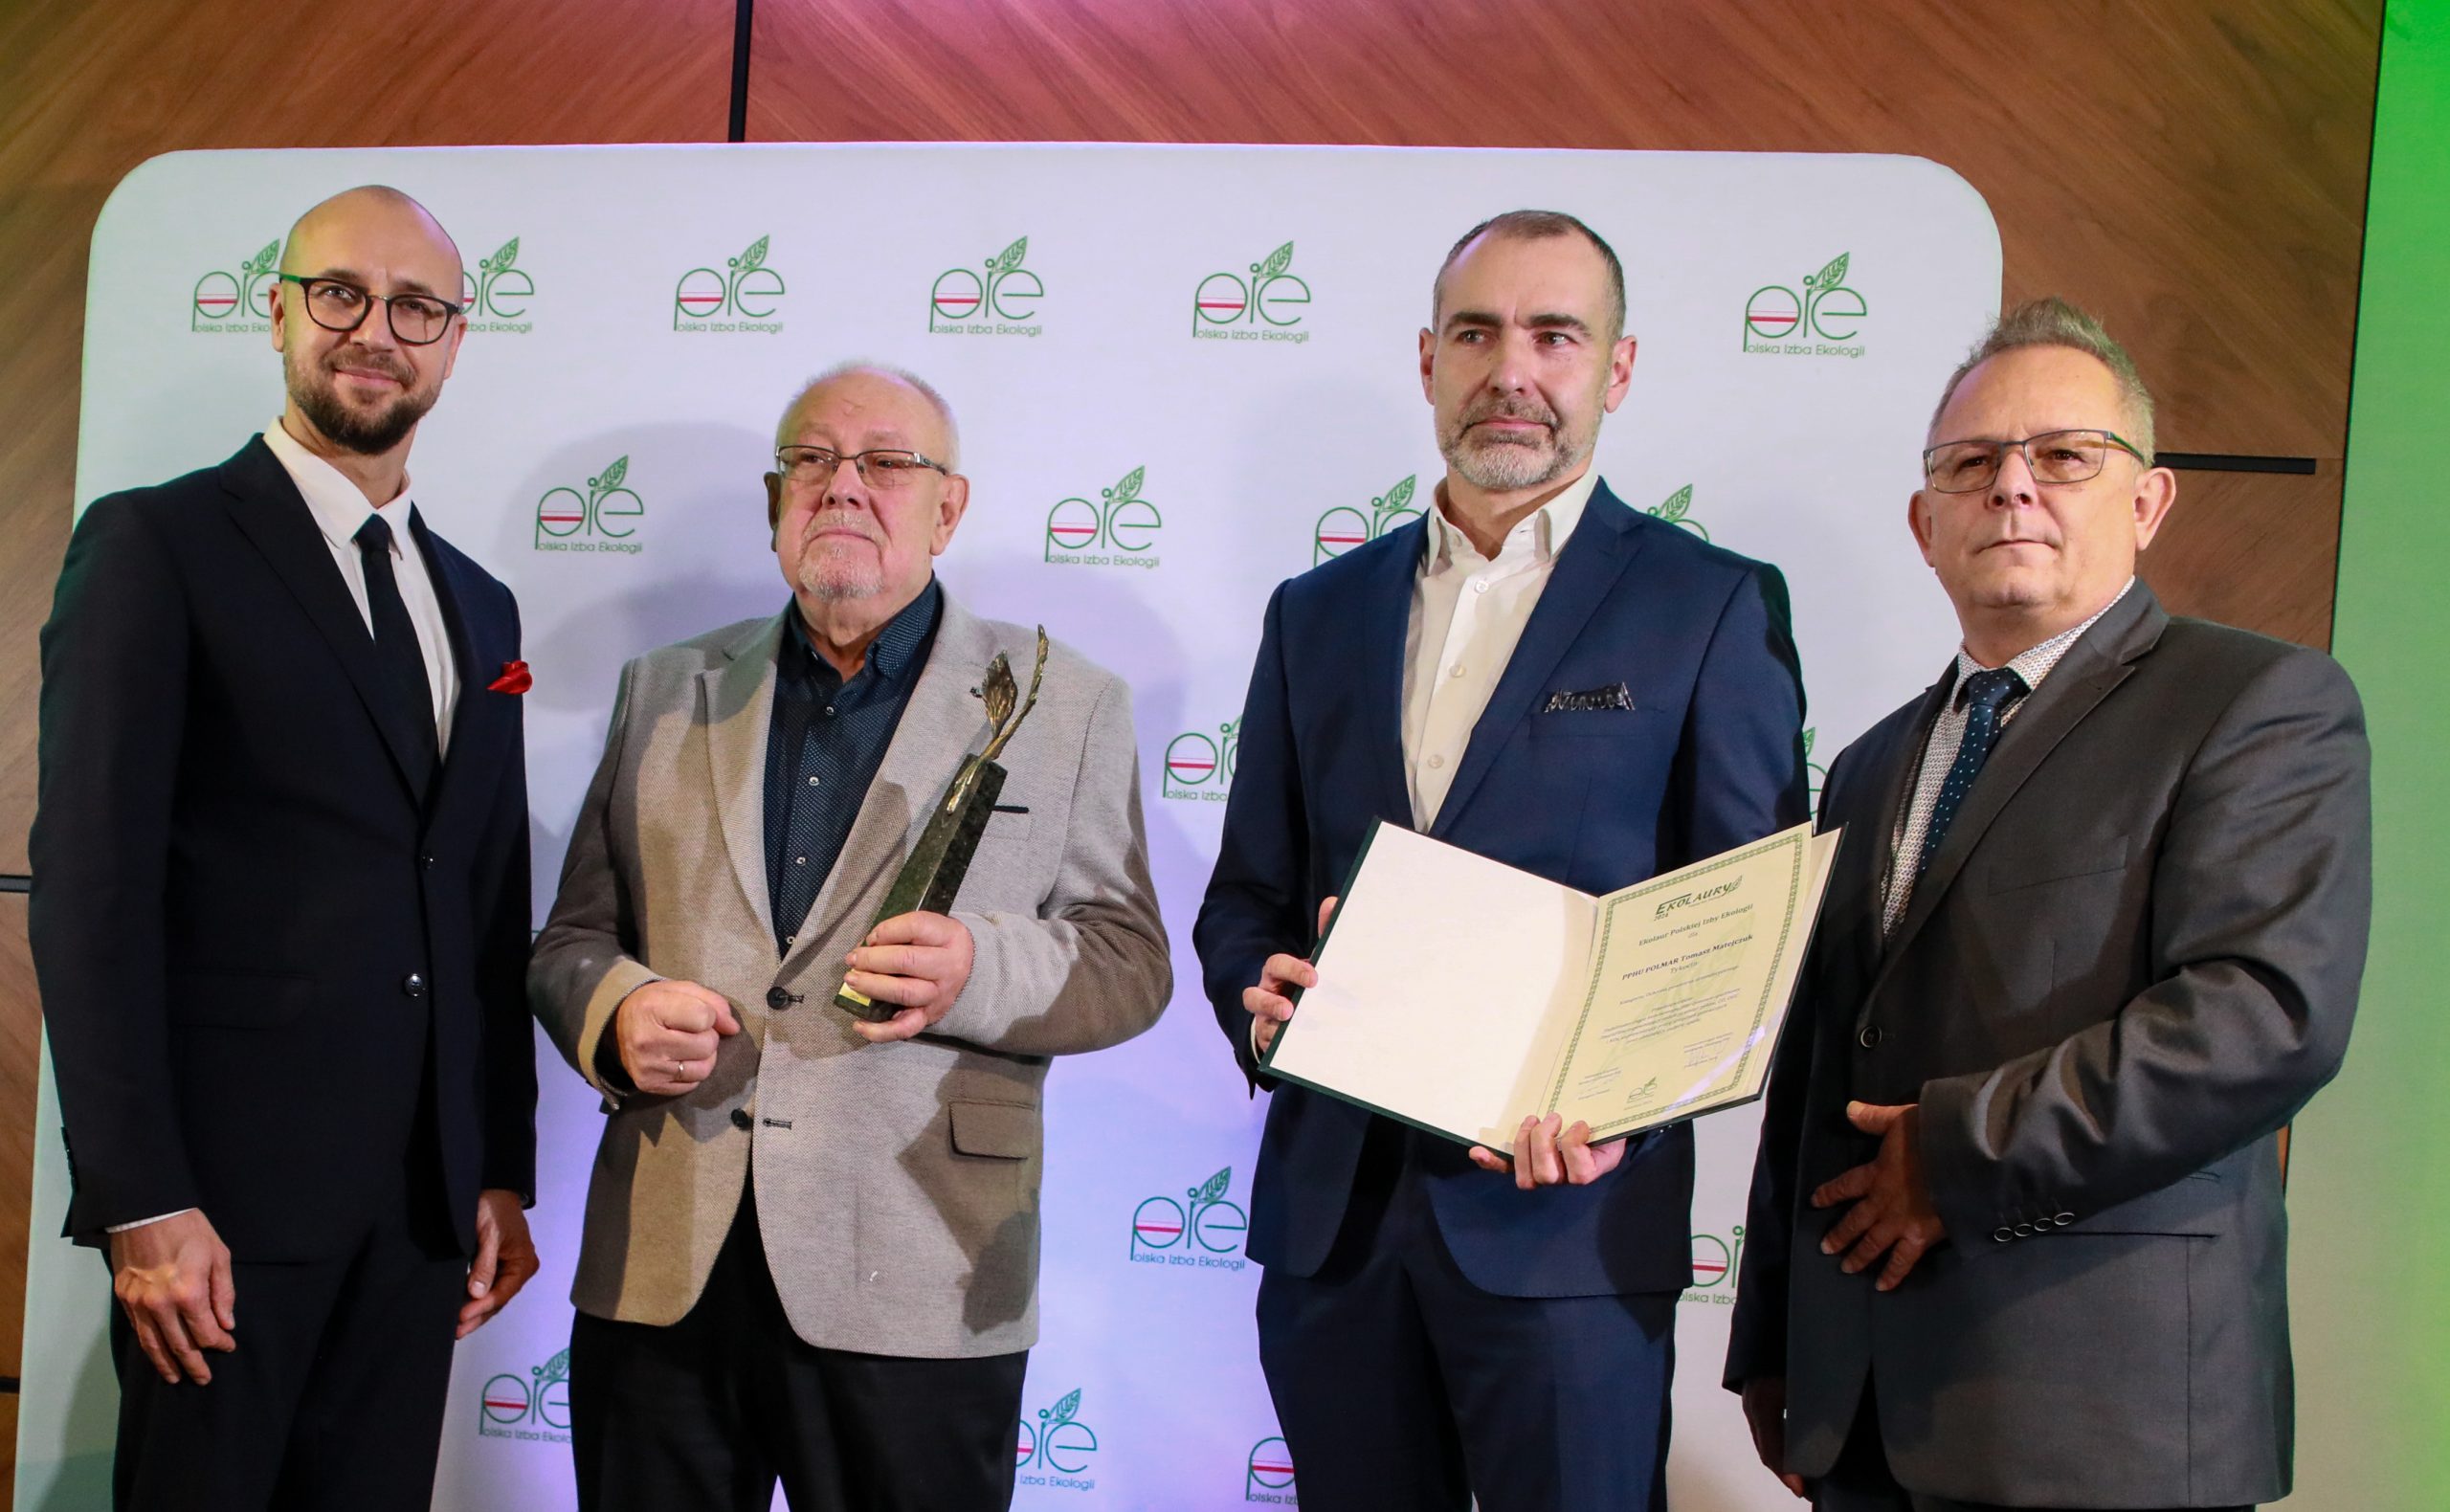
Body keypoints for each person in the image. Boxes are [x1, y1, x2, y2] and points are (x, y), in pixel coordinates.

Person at [1194, 210, 1809, 1511]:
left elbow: (1745, 924)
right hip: (1333, 1231)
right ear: (1429, 360)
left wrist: (1623, 1113)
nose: (1510, 370)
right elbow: (1246, 895)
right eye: (1476, 334)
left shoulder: (1708, 604)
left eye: (1554, 335)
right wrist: (1259, 999)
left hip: (1567, 1232)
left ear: (1616, 370)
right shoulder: (1316, 612)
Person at [1725, 297, 2371, 1511]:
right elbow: (1818, 1066)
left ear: (2148, 500)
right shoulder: (1865, 764)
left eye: (2064, 455)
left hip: (2102, 1415)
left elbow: (2260, 1015)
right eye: (1971, 463)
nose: (2011, 487)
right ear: (1924, 523)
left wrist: (1958, 1151)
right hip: (1861, 1414)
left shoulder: (2258, 703)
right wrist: (1772, 1336)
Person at [529, 362, 1171, 1512]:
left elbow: (1128, 960)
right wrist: (614, 1011)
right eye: (812, 461)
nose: (843, 486)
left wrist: (978, 967)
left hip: (921, 1272)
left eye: (886, 463)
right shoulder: (662, 687)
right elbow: (573, 936)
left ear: (948, 507)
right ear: (775, 499)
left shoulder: (1064, 701)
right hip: (665, 1269)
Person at [31, 185, 540, 1511]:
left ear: (455, 339)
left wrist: (495, 1166)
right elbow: (92, 893)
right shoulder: (159, 543)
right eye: (341, 294)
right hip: (220, 1212)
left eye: (416, 307)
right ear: (278, 313)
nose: (377, 331)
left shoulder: (481, 605)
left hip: (421, 1217)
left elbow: (484, 904)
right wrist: (141, 1195)